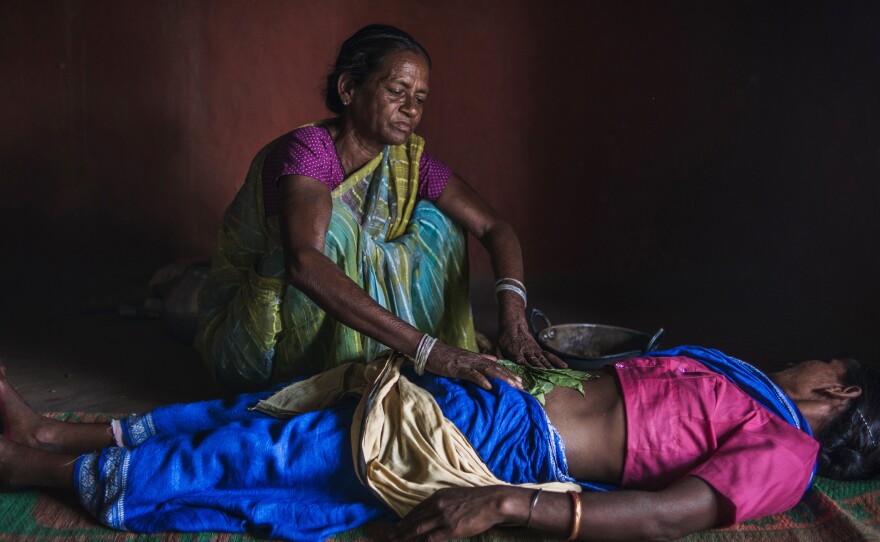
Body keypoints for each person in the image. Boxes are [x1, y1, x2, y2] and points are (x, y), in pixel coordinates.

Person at [1, 346, 878, 541]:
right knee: (270, 413)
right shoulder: (745, 386)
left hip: (509, 444)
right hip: (500, 398)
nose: (804, 355)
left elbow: (666, 516)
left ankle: (36, 465)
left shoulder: (786, 448)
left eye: (824, 358)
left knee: (287, 455)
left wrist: (503, 500)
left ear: (840, 389)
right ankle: (56, 430)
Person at [195, 24, 558, 392]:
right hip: (259, 339)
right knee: (333, 229)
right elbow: (304, 263)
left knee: (441, 220)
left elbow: (495, 227)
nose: (412, 109)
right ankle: (343, 372)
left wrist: (514, 322)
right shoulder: (309, 152)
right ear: (348, 89)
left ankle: (397, 352)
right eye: (397, 91)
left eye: (420, 97)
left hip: (357, 322)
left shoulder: (409, 162)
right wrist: (432, 352)